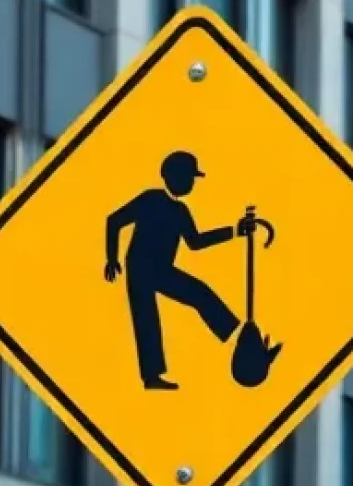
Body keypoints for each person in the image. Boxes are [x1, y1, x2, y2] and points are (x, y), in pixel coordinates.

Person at [104, 152, 254, 390]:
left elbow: (195, 242)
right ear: (172, 176)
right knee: (146, 317)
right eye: (188, 178)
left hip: (161, 268)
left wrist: (235, 231)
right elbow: (113, 221)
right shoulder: (150, 199)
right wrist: (111, 259)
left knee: (199, 292)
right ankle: (152, 377)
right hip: (140, 267)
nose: (191, 183)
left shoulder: (180, 211)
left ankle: (236, 334)